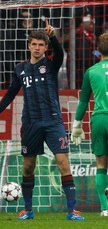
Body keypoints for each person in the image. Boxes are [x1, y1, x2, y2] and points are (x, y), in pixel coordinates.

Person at [0, 19, 85, 220]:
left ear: (45, 47)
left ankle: (72, 211)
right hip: (31, 124)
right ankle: (28, 210)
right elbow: (9, 95)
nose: (37, 47)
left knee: (63, 162)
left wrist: (53, 37)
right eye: (34, 44)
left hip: (53, 122)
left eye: (41, 45)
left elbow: (59, 53)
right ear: (28, 45)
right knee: (28, 166)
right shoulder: (20, 69)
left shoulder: (51, 65)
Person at [71, 33, 108, 217]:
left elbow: (83, 101)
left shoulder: (91, 71)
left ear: (98, 51)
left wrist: (77, 125)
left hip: (100, 119)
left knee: (101, 163)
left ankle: (106, 208)